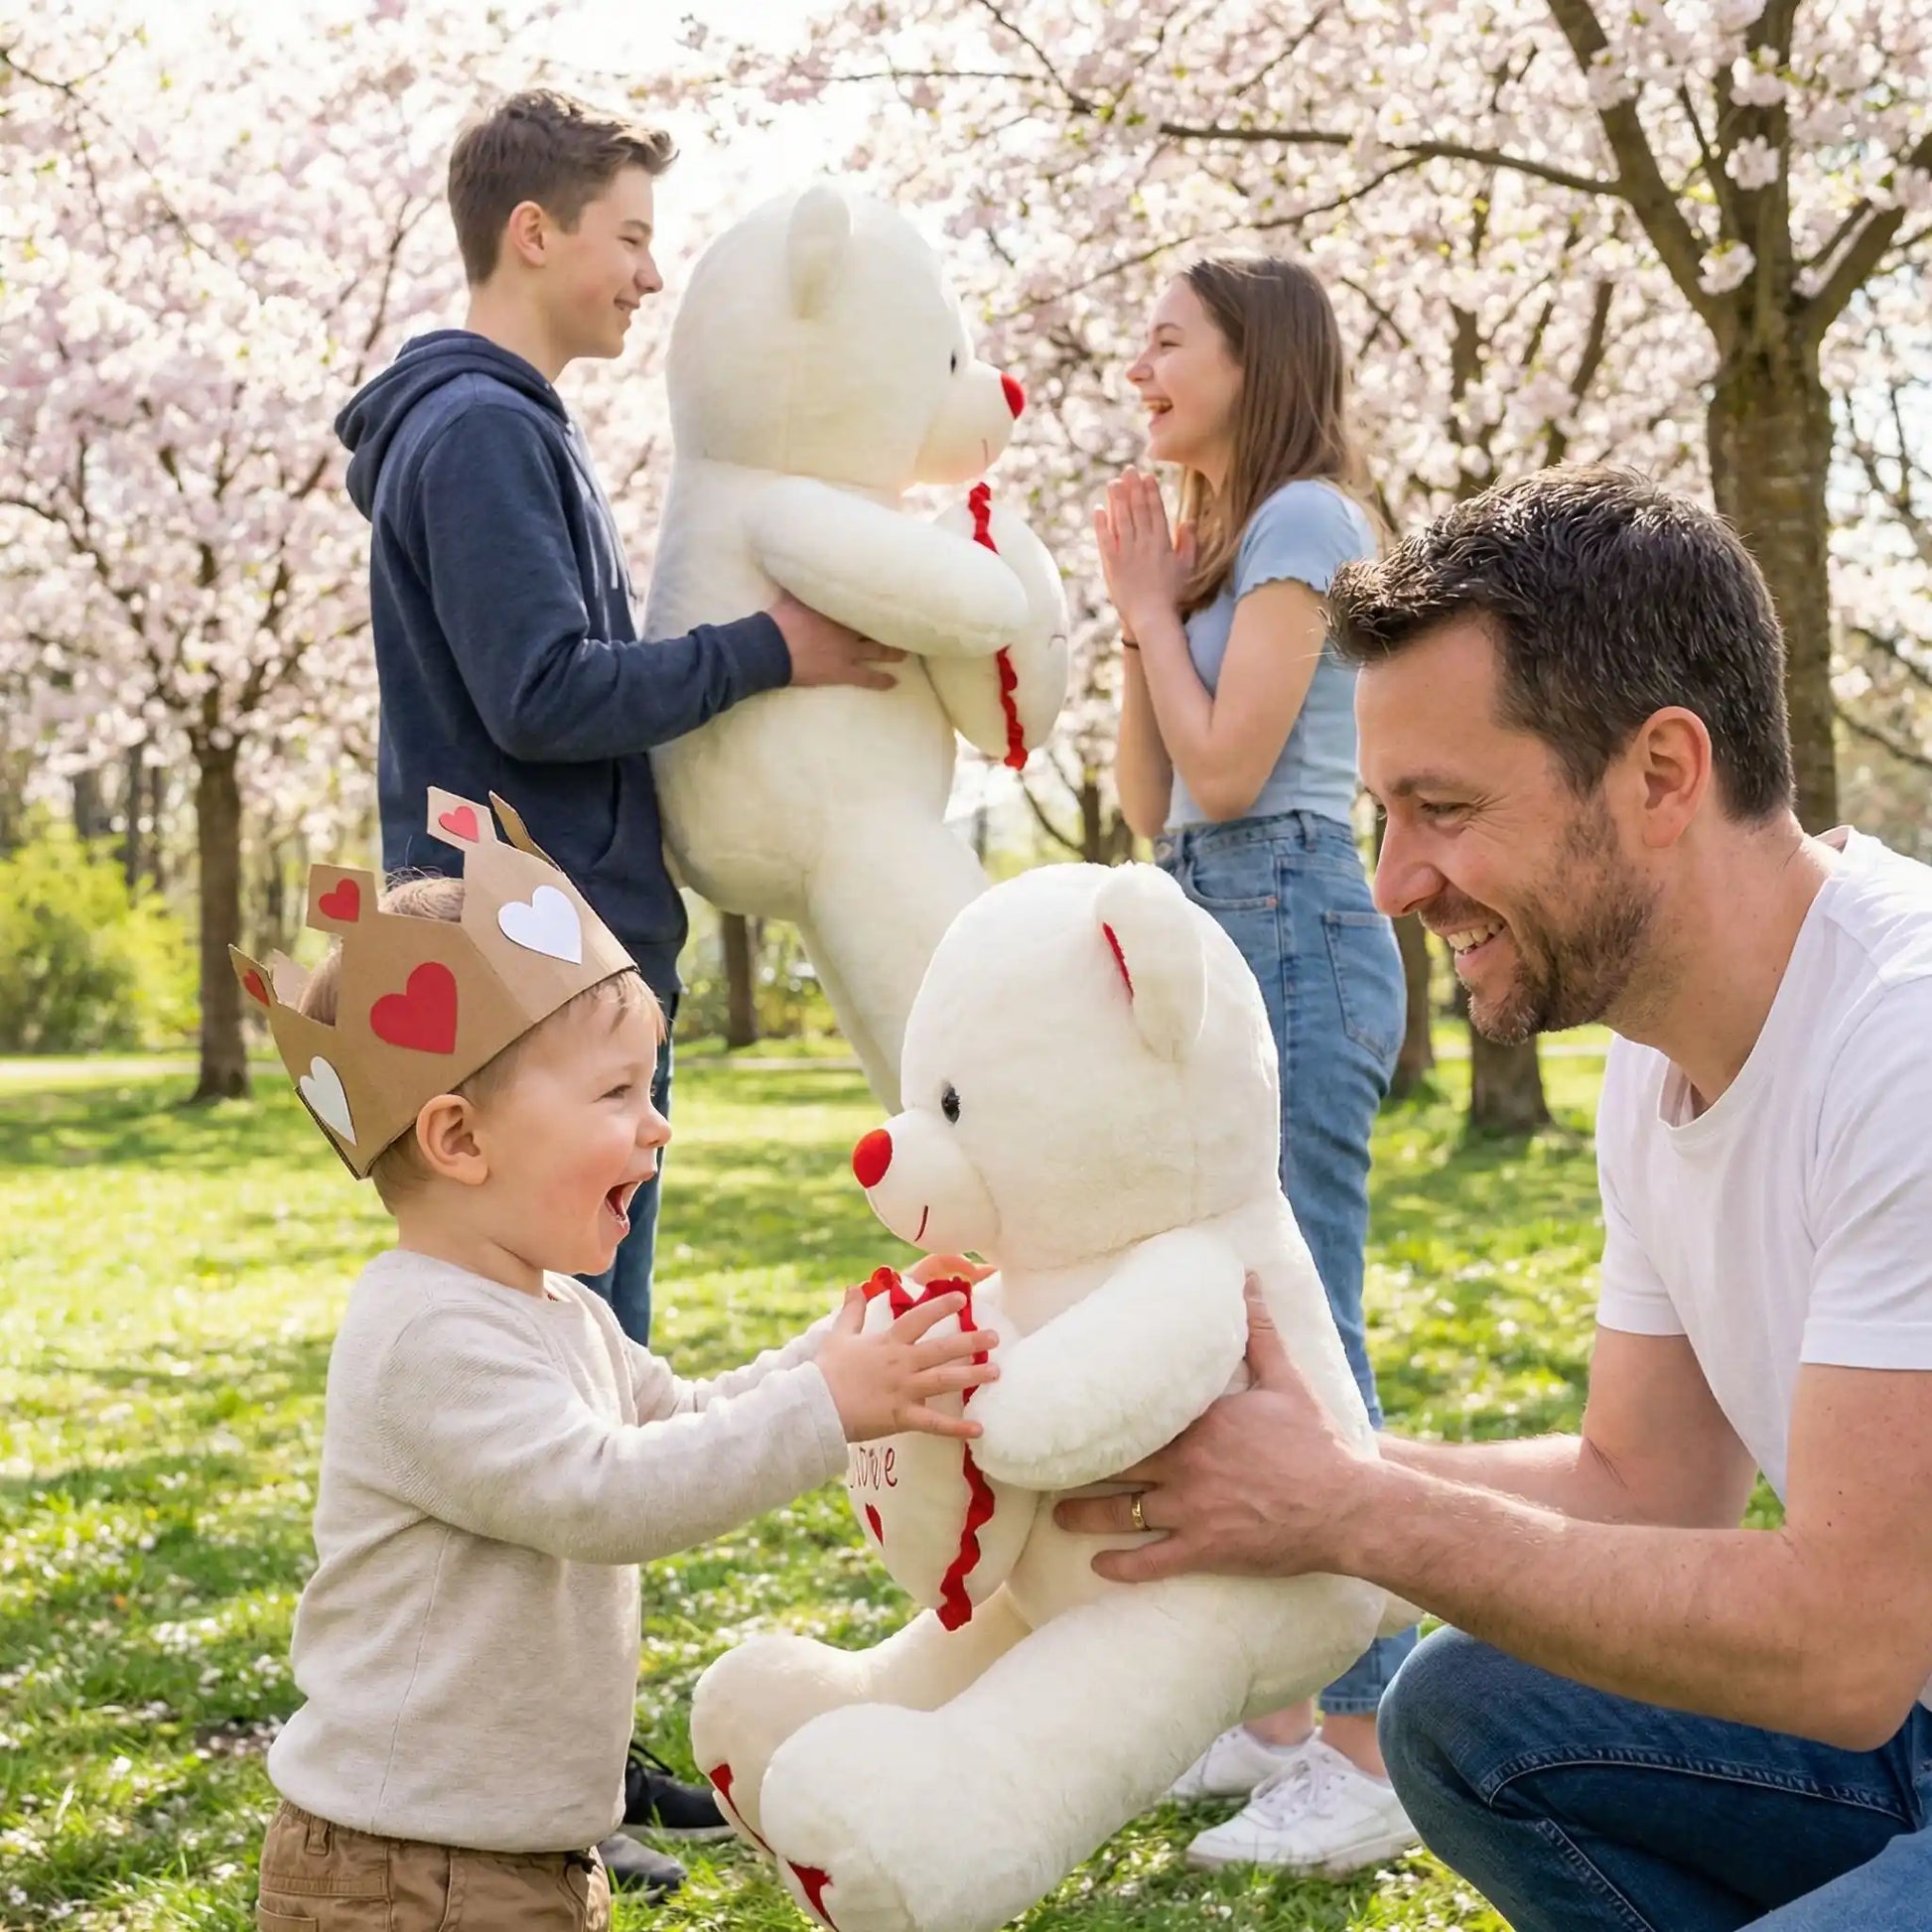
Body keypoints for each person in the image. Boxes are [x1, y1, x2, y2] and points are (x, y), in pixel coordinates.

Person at [1058, 466, 1932, 1930]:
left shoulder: (1902, 1036)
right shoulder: (1660, 1059)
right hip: (1903, 1721)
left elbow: (1842, 1645)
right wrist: (1280, 1459)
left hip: (1876, 1682)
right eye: (1381, 815)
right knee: (1466, 1708)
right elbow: (1644, 1489)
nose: (1392, 882)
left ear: (1661, 773)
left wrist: (1355, 1510)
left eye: (1443, 808)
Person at [254, 867, 998, 1932]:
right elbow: (607, 1496)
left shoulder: (558, 1309)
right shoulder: (428, 1334)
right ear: (459, 1139)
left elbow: (684, 1420)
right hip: (408, 1871)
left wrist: (848, 1351)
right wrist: (828, 1405)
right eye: (616, 1095)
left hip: (514, 1852)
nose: (657, 1128)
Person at [334, 88, 901, 1353]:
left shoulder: (498, 420)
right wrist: (770, 649)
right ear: (534, 233)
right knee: (580, 1368)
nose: (650, 275)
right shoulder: (481, 429)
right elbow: (543, 691)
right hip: (541, 967)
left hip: (534, 954)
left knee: (556, 1360)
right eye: (631, 237)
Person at [1095, 252, 1416, 1875]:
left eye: (1168, 338)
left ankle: (1372, 1746)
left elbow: (1228, 773)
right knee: (1231, 1339)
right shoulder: (1228, 542)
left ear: (1252, 360)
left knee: (1309, 1325)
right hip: (1214, 923)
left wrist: (1158, 616)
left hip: (1291, 923)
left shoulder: (1307, 520)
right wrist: (1140, 615)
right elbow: (1149, 795)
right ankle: (1280, 1717)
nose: (1135, 364)